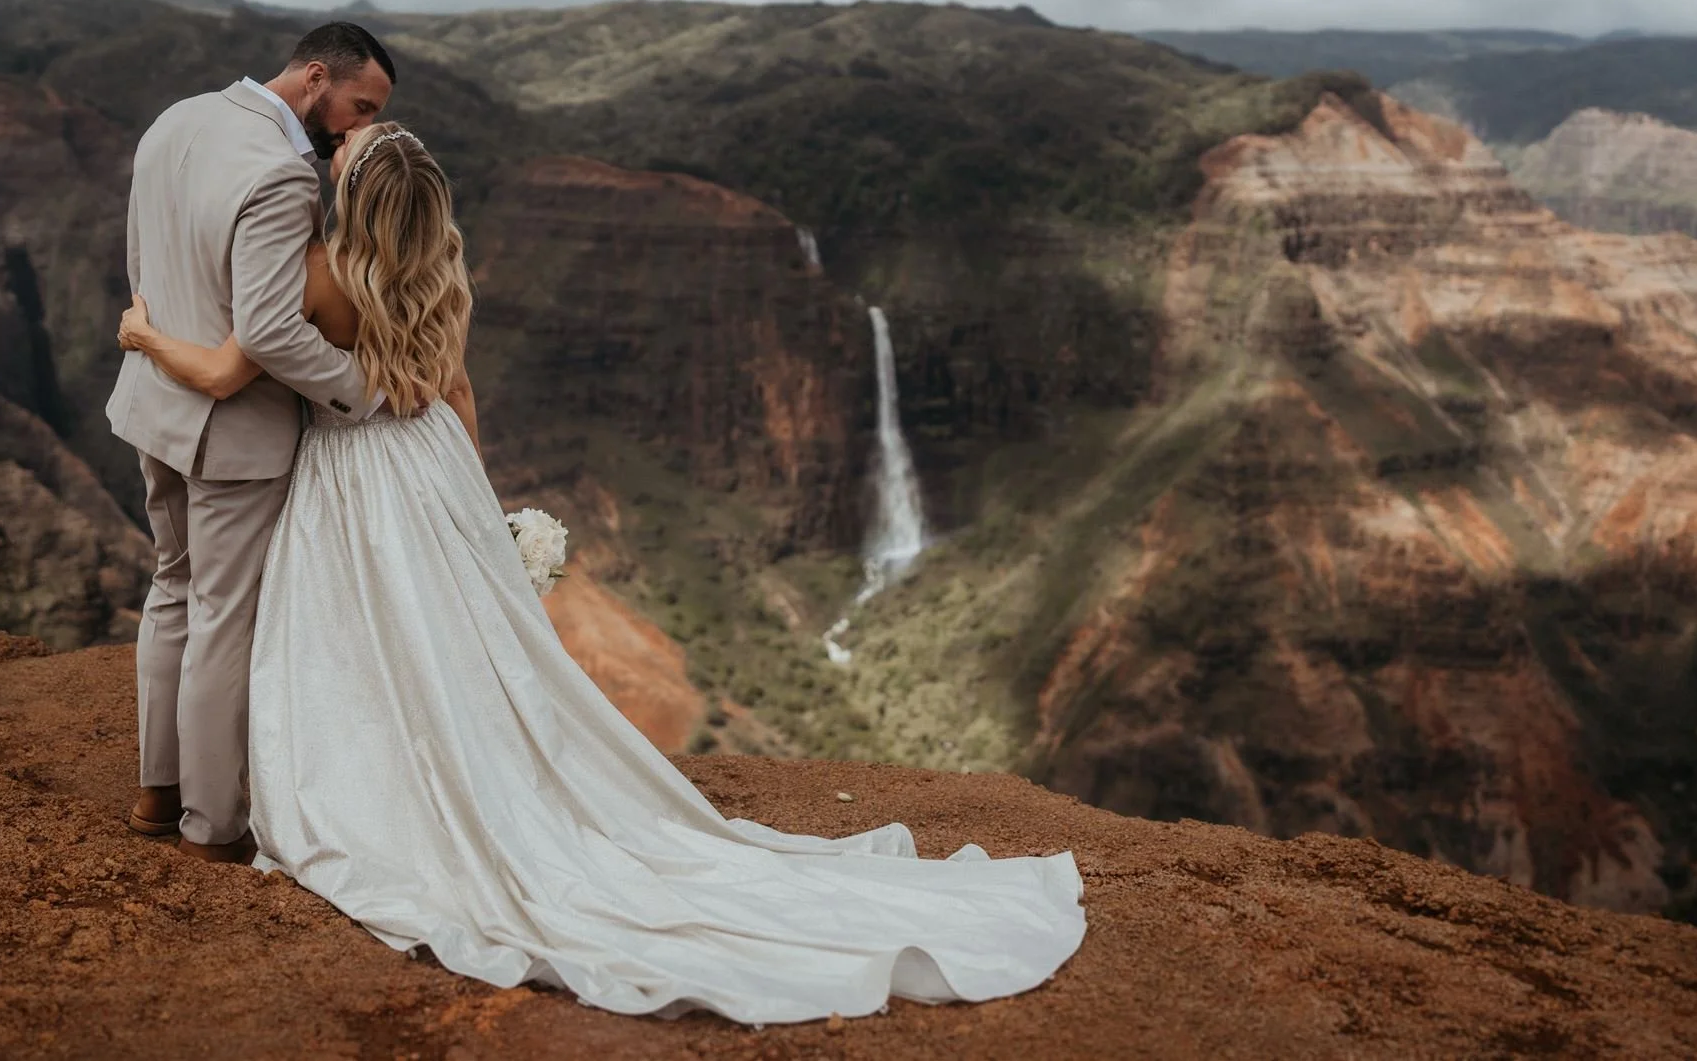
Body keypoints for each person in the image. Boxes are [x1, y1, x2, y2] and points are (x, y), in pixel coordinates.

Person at [115, 122, 1086, 1024]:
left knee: (355, 640)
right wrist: (476, 512)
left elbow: (231, 371)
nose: (331, 149)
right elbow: (454, 392)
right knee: (457, 639)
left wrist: (144, 337)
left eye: (346, 150)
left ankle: (334, 790)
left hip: (346, 480)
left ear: (355, 196)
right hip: (433, 467)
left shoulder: (317, 275)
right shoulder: (445, 274)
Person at [104, 22, 394, 861]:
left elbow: (143, 266)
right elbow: (269, 332)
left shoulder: (175, 120)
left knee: (172, 588)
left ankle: (157, 793)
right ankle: (211, 823)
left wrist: (168, 352)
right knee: (223, 617)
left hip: (154, 401)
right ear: (315, 77)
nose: (353, 129)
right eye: (357, 106)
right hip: (232, 432)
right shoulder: (283, 173)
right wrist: (360, 392)